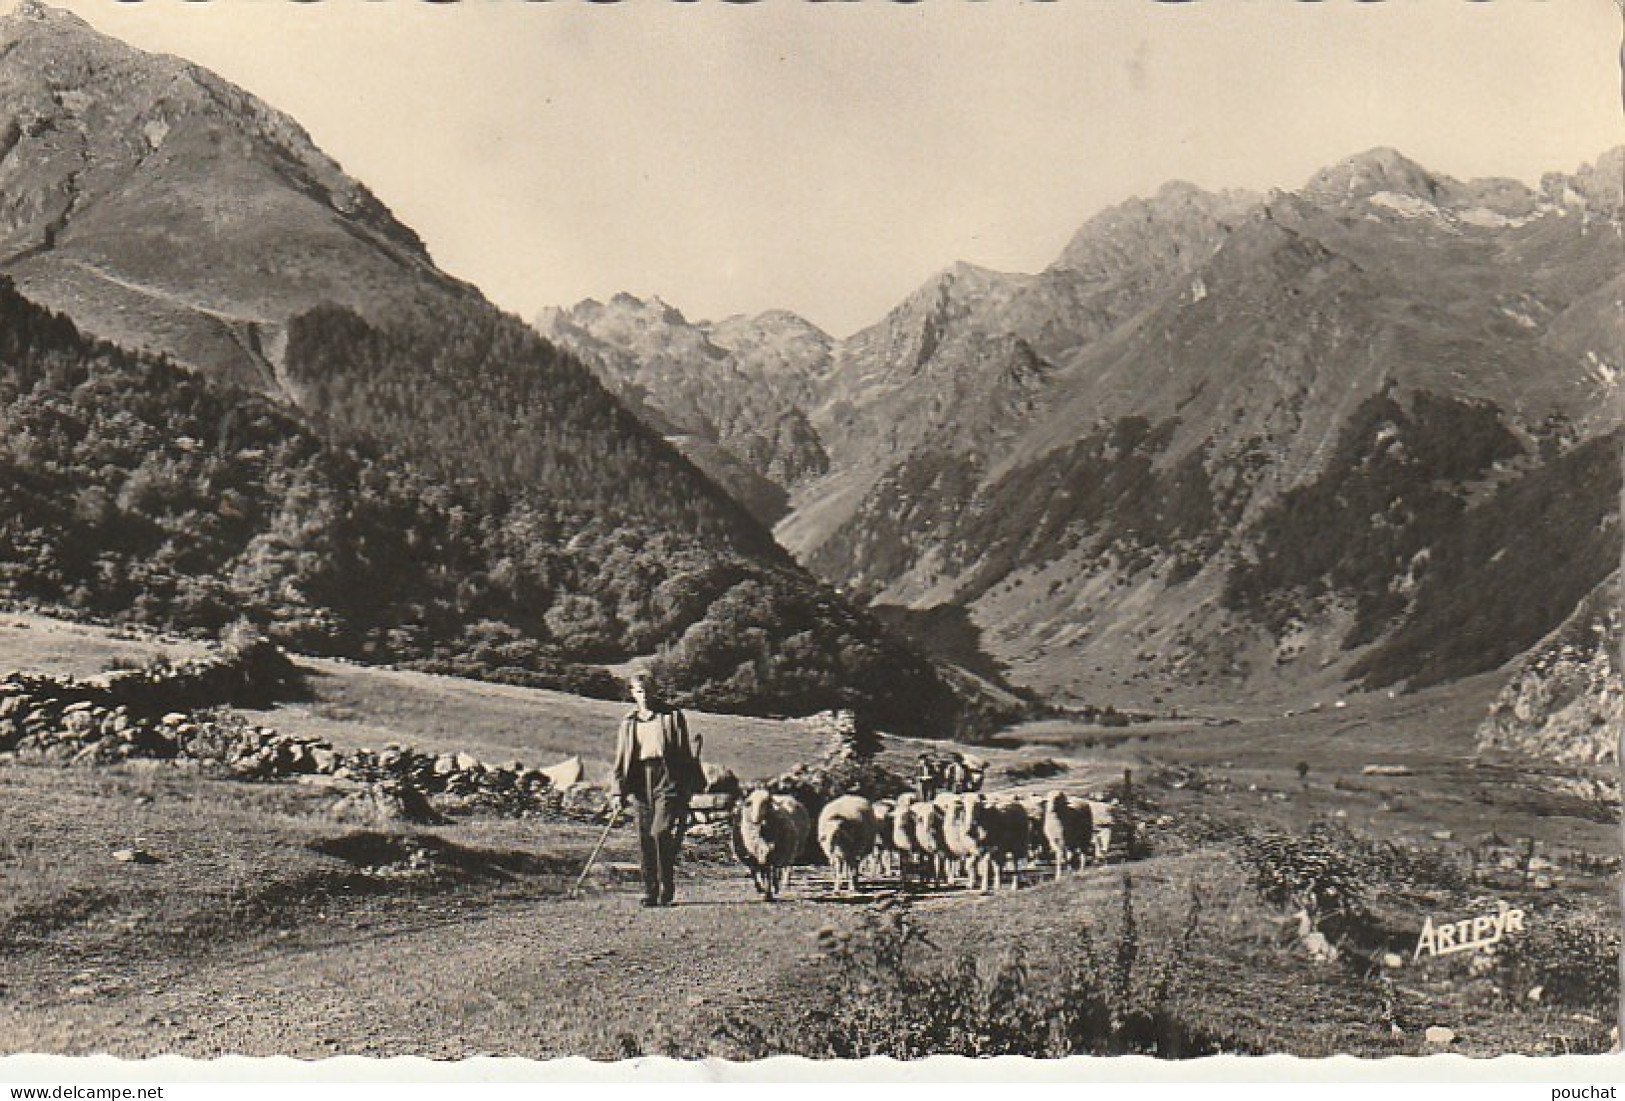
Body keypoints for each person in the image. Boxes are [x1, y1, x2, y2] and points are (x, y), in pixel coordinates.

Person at [608, 669, 704, 908]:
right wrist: (617, 791)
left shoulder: (671, 716)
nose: (645, 696)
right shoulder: (629, 723)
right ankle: (650, 891)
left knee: (660, 832)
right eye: (640, 692)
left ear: (655, 691)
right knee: (645, 838)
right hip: (639, 780)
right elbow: (621, 760)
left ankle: (666, 886)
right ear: (632, 694)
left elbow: (684, 754)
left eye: (649, 691)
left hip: (667, 777)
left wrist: (688, 786)